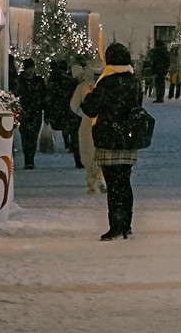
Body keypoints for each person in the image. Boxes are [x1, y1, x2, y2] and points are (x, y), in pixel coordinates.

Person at [79, 43, 144, 240]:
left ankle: (115, 226)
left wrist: (90, 94)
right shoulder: (134, 82)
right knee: (125, 182)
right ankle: (127, 226)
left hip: (108, 137)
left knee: (113, 184)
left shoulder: (106, 82)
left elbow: (90, 108)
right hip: (129, 138)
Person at [70, 62, 106, 196]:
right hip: (103, 125)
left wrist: (84, 115)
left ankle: (91, 182)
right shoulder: (106, 86)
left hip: (86, 126)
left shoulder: (82, 87)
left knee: (88, 155)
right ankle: (101, 176)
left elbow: (73, 106)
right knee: (102, 154)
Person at [12, 58, 48, 169]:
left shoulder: (39, 80)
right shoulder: (20, 80)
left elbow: (44, 94)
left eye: (31, 68)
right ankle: (27, 159)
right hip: (24, 111)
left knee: (33, 136)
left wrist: (44, 106)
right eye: (28, 68)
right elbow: (16, 93)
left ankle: (31, 159)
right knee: (25, 135)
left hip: (36, 111)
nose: (30, 71)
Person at [47, 59, 83, 167]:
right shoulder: (69, 81)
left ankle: (70, 145)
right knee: (75, 135)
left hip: (61, 110)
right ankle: (78, 158)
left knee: (71, 132)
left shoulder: (52, 80)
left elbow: (50, 98)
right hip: (71, 110)